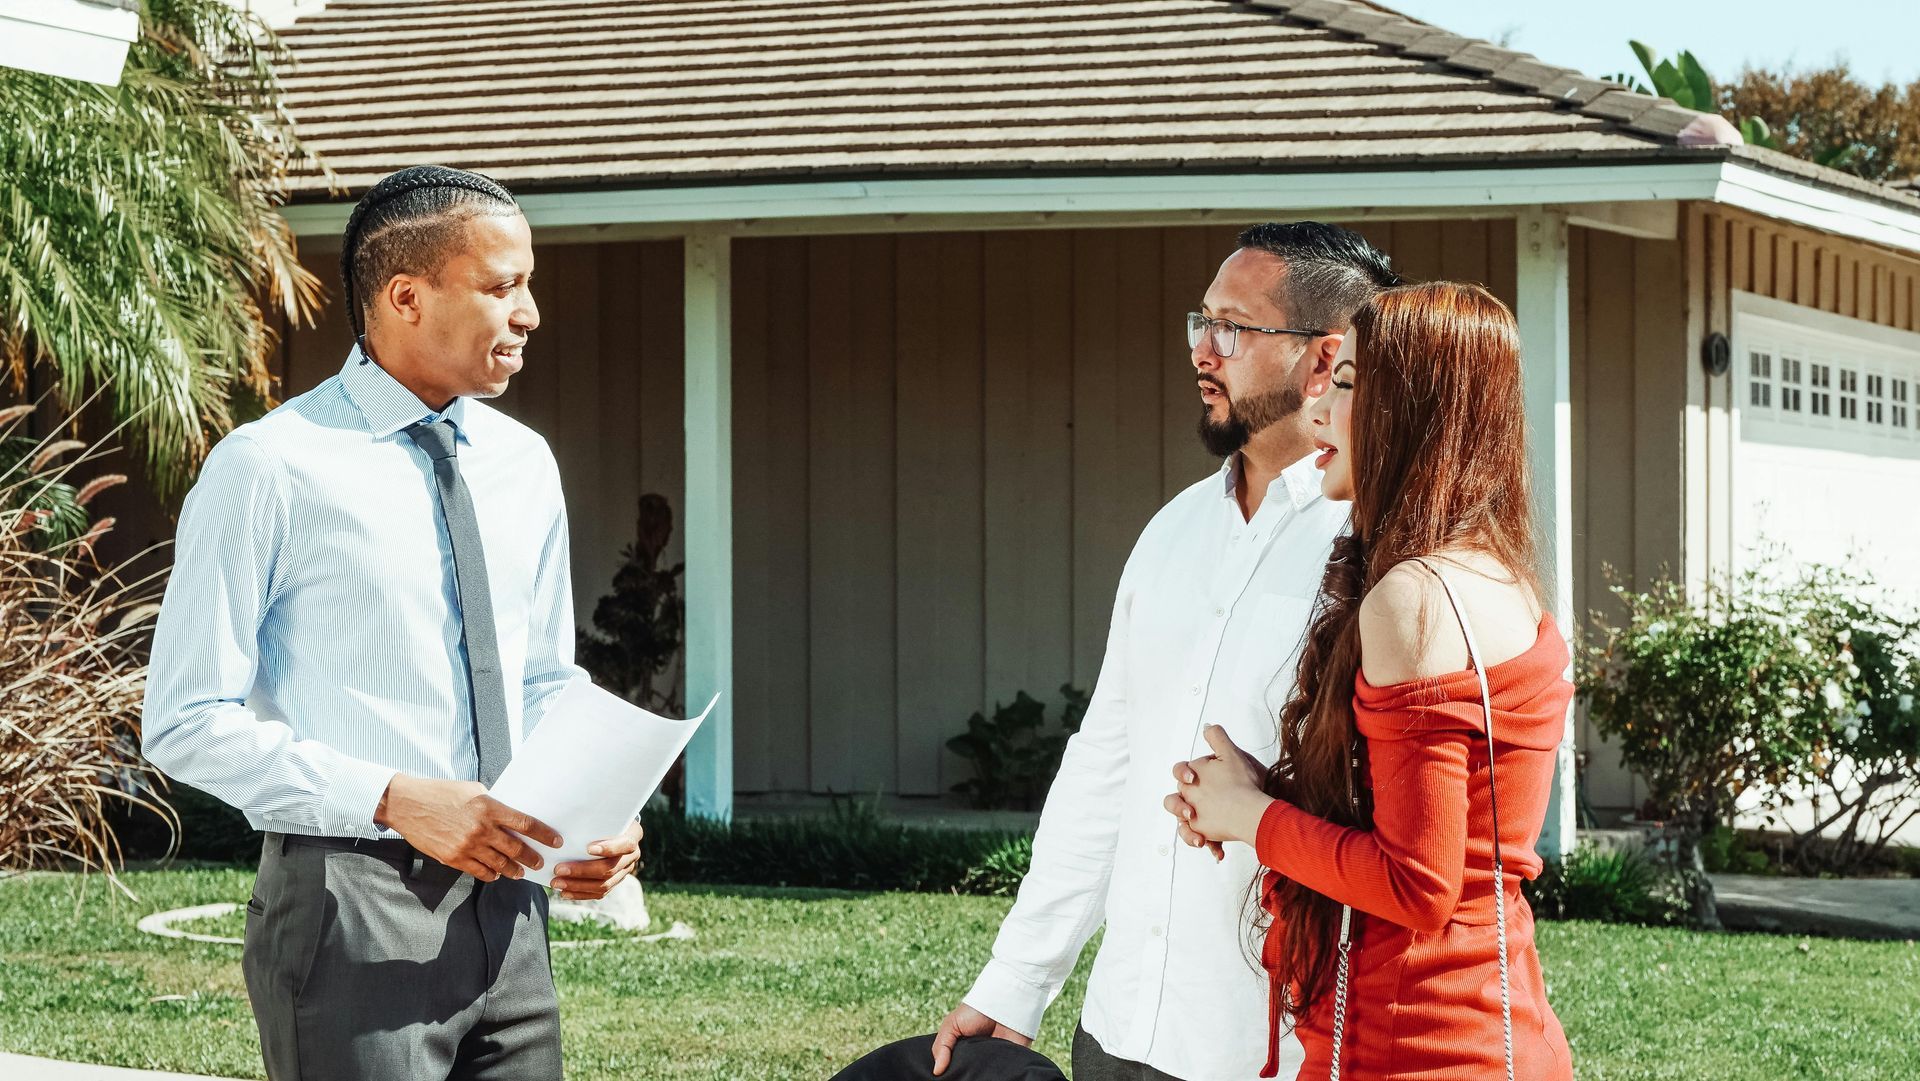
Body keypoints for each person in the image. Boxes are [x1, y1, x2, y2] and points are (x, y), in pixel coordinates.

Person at [141, 165, 640, 1081]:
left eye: (528, 282)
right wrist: (396, 797)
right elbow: (183, 719)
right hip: (349, 908)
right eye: (501, 286)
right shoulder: (270, 468)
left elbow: (539, 677)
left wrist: (597, 813)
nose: (528, 312)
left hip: (514, 914)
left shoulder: (524, 464)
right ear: (406, 296)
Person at [932, 223, 1398, 1080]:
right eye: (1200, 322)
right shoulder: (1170, 532)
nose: (1201, 350)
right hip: (1119, 1034)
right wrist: (1018, 980)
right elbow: (1105, 765)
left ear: (1323, 354)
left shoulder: (1385, 551)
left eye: (1233, 327)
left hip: (1278, 1049)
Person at [1164, 282, 1576, 1080]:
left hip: (1410, 1044)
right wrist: (1266, 793)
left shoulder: (1412, 599)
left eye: (1347, 383)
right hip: (1497, 1032)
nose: (1316, 412)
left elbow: (1417, 884)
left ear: (1415, 411)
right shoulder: (1501, 578)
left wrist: (1252, 817)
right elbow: (1455, 839)